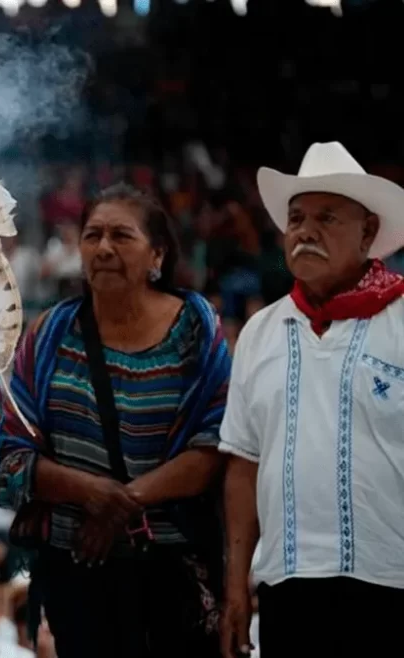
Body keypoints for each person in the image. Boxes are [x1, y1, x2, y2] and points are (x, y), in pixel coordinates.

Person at [0, 184, 232, 658]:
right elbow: (10, 452)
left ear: (157, 253)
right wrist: (91, 494)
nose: (104, 248)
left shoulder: (197, 332)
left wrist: (119, 505)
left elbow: (214, 448)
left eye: (122, 236)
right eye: (93, 235)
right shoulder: (49, 335)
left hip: (173, 574)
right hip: (77, 569)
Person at [219, 142, 404, 658]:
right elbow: (242, 465)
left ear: (368, 232)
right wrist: (237, 588)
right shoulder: (260, 331)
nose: (305, 230)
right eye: (296, 218)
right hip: (288, 586)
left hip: (391, 581)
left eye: (327, 218)